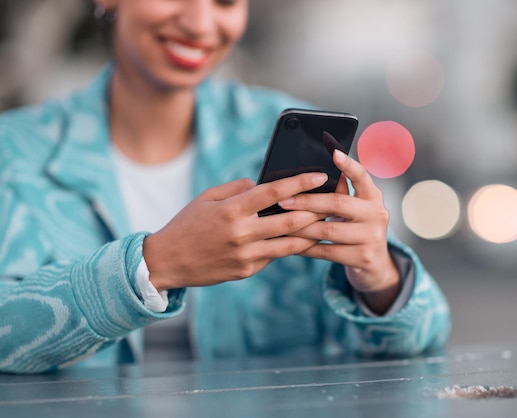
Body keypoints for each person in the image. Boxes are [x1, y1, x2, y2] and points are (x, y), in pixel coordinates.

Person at [0, 0, 450, 374]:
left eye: (226, 1)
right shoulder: (14, 153)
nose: (200, 24)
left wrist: (381, 281)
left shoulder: (282, 135)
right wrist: (152, 267)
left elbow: (425, 341)